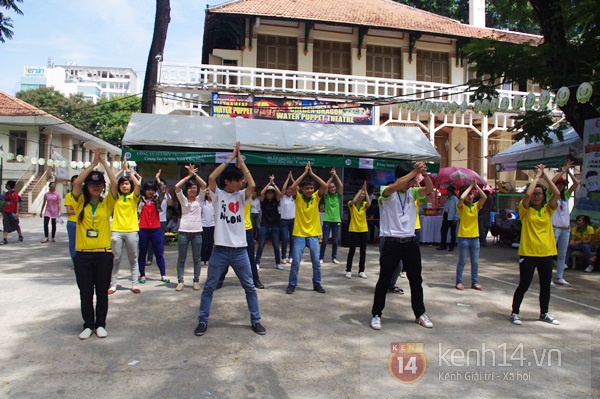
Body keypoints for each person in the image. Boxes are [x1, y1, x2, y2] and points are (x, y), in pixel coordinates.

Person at [195, 142, 266, 336]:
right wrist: (229, 159)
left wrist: (240, 161)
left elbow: (252, 184)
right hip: (220, 251)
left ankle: (255, 319)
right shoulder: (218, 197)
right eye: (237, 180)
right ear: (227, 181)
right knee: (209, 286)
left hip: (241, 251)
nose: (241, 183)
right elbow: (211, 177)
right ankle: (202, 320)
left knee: (250, 287)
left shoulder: (242, 196)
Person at [370, 161, 434, 331]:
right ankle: (377, 314)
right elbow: (395, 186)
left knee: (416, 280)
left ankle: (419, 313)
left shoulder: (413, 192)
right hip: (392, 242)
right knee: (384, 280)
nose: (413, 183)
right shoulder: (386, 191)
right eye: (410, 179)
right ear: (400, 178)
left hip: (410, 242)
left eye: (414, 180)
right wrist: (414, 172)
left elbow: (429, 189)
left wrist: (424, 174)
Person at [71, 149, 118, 339]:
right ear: (88, 186)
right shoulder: (79, 202)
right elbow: (76, 183)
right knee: (85, 292)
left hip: (103, 254)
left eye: (99, 184)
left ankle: (100, 324)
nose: (96, 187)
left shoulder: (107, 203)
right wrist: (92, 164)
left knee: (102, 292)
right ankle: (88, 325)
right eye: (92, 184)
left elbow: (115, 183)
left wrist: (105, 163)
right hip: (83, 255)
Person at [510, 164, 561, 326]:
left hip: (546, 253)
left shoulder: (548, 209)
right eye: (535, 194)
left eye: (540, 194)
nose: (536, 196)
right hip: (529, 253)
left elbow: (557, 193)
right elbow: (527, 194)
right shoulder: (525, 210)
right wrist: (537, 177)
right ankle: (515, 312)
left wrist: (545, 176)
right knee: (524, 284)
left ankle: (544, 313)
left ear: (543, 196)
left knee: (546, 286)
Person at [286, 162, 329, 294]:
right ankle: (292, 284)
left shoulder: (316, 197)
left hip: (313, 235)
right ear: (302, 189)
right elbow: (293, 187)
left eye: (311, 188)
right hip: (299, 235)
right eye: (307, 188)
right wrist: (304, 173)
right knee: (296, 263)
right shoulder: (298, 198)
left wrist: (312, 174)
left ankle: (317, 284)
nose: (310, 190)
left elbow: (325, 185)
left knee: (316, 262)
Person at [109, 163, 142, 295]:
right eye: (122, 184)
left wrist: (129, 172)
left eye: (127, 184)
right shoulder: (115, 197)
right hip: (116, 230)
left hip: (132, 230)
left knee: (133, 259)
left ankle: (134, 284)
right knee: (116, 258)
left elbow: (138, 185)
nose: (124, 186)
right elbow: (111, 182)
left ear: (130, 186)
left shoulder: (134, 197)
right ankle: (113, 285)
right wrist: (120, 171)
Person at [174, 164, 207, 292]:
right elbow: (177, 187)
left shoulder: (199, 200)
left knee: (197, 259)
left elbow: (204, 185)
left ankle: (196, 280)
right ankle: (180, 281)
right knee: (181, 258)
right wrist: (188, 176)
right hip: (183, 233)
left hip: (197, 233)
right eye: (190, 188)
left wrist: (195, 175)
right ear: (186, 190)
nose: (193, 190)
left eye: (194, 188)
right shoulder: (183, 200)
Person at [137, 170, 170, 285]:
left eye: (152, 190)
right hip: (143, 230)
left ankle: (163, 274)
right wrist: (137, 179)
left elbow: (163, 190)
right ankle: (142, 274)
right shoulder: (139, 200)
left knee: (159, 253)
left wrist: (158, 179)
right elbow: (135, 189)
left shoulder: (157, 201)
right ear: (144, 190)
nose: (150, 192)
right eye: (148, 189)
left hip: (156, 229)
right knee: (142, 253)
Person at [455, 180, 487, 291]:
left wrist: (476, 186)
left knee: (475, 262)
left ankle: (475, 282)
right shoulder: (460, 206)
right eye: (469, 194)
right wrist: (470, 187)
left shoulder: (476, 206)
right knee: (462, 261)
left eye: (472, 194)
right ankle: (459, 282)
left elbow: (484, 197)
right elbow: (461, 198)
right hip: (463, 237)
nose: (470, 196)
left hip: (475, 238)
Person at [552, 160, 579, 284]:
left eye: (562, 185)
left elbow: (576, 183)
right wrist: (563, 170)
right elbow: (551, 182)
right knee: (550, 253)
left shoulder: (566, 196)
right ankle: (547, 277)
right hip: (554, 227)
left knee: (562, 254)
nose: (560, 187)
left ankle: (559, 277)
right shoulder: (550, 195)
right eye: (559, 185)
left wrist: (569, 172)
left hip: (565, 228)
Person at [255, 176, 283, 270]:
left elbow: (280, 193)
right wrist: (269, 183)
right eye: (269, 192)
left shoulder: (276, 200)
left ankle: (278, 263)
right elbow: (262, 192)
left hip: (275, 226)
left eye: (271, 192)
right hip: (265, 225)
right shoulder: (263, 201)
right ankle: (257, 262)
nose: (270, 194)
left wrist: (273, 184)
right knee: (261, 245)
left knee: (276, 245)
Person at [345, 182, 371, 278]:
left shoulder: (364, 204)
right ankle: (348, 270)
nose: (361, 196)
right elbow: (353, 201)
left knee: (363, 251)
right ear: (356, 194)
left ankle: (361, 270)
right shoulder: (351, 204)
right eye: (360, 195)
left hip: (363, 229)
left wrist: (365, 191)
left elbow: (369, 203)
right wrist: (361, 190)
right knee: (352, 250)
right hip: (354, 229)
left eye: (363, 195)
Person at [319, 168, 343, 264]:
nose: (332, 189)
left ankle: (334, 257)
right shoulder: (326, 196)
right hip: (327, 220)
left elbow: (341, 186)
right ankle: (321, 257)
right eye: (331, 188)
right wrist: (331, 177)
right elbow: (325, 186)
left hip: (336, 220)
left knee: (335, 241)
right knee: (324, 241)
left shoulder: (338, 196)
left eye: (333, 187)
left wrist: (336, 176)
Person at [146, 186, 172, 266]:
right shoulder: (155, 195)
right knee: (151, 241)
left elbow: (170, 204)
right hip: (154, 220)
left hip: (162, 221)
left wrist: (167, 194)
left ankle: (160, 258)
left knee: (160, 240)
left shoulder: (167, 195)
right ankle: (149, 258)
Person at [279, 171, 296, 264]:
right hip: (284, 221)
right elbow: (282, 189)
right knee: (285, 239)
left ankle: (291, 256)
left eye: (291, 189)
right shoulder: (282, 197)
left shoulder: (295, 197)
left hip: (293, 220)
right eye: (288, 189)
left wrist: (292, 179)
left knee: (293, 239)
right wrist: (287, 178)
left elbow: (296, 187)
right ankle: (283, 256)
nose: (289, 191)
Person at [64, 175, 79, 266]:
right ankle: (75, 263)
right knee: (72, 244)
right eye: (75, 181)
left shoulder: (84, 195)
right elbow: (69, 211)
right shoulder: (69, 196)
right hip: (72, 223)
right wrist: (80, 210)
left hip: (82, 223)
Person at [2, 180, 24, 245]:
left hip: (12, 212)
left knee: (15, 225)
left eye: (6, 185)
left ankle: (20, 236)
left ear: (9, 186)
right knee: (5, 224)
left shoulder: (14, 194)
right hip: (6, 211)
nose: (5, 186)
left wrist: (17, 212)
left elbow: (17, 203)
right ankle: (5, 239)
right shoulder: (6, 194)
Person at [437, 186, 458, 251]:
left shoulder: (455, 199)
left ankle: (452, 246)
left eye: (448, 191)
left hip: (452, 217)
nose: (447, 192)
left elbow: (458, 210)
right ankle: (443, 245)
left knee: (452, 232)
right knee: (443, 231)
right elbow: (446, 207)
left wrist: (456, 218)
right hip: (446, 216)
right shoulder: (447, 198)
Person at [200, 190, 214, 265]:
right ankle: (202, 258)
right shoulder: (203, 202)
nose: (209, 192)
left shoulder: (215, 202)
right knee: (204, 243)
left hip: (212, 225)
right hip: (204, 225)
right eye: (207, 191)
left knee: (210, 243)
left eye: (210, 191)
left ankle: (208, 258)